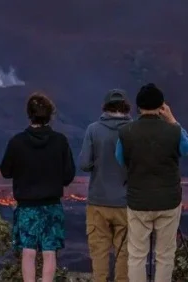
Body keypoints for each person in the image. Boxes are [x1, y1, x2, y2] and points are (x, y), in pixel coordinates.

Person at [115, 83, 188, 282]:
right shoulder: (173, 131)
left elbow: (120, 158)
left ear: (138, 106)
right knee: (165, 255)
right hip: (168, 200)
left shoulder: (126, 132)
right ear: (162, 106)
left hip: (138, 201)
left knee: (136, 255)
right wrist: (172, 120)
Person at [0, 92, 75, 282]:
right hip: (51, 205)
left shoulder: (17, 142)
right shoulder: (60, 141)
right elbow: (69, 174)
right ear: (50, 115)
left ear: (29, 114)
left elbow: (6, 171)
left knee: (28, 252)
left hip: (27, 207)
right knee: (49, 253)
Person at [78, 89, 133, 282]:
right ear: (125, 108)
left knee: (99, 253)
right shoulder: (133, 129)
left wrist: (98, 164)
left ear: (106, 107)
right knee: (124, 253)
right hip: (126, 203)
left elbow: (84, 163)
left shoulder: (93, 129)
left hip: (98, 202)